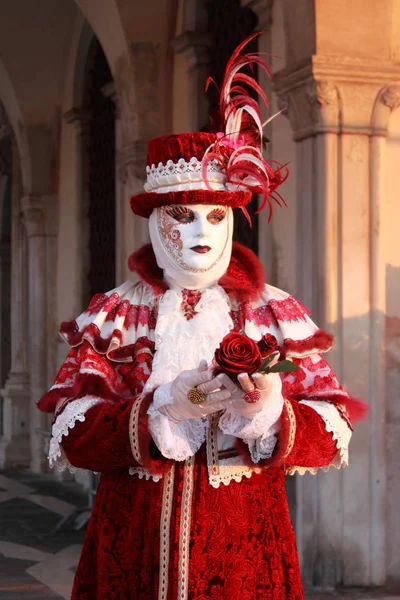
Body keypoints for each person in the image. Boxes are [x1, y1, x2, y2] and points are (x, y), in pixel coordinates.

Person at [38, 35, 365, 600]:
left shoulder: (273, 314)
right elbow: (75, 434)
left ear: (234, 220)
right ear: (154, 220)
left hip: (245, 554)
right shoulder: (115, 315)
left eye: (215, 216)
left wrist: (268, 412)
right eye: (181, 216)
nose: (199, 234)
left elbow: (332, 429)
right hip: (132, 551)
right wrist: (159, 408)